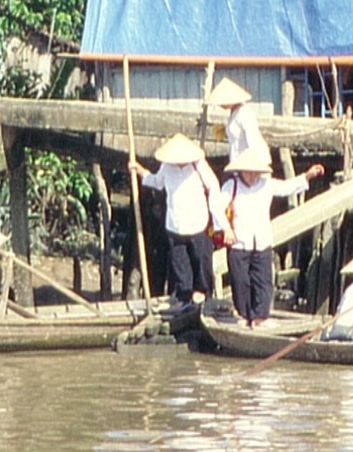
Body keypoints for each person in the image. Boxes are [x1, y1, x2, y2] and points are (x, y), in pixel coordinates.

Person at [218, 147, 323, 326]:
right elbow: (217, 209)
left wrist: (306, 176)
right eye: (248, 172)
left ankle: (260, 317)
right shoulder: (231, 186)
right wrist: (226, 229)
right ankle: (244, 315)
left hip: (262, 239)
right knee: (240, 281)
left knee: (263, 281)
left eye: (255, 172)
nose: (252, 176)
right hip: (239, 241)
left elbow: (286, 188)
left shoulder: (266, 184)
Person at [132, 133, 225, 308]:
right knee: (179, 263)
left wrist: (217, 216)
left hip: (198, 222)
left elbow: (213, 186)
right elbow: (157, 182)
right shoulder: (167, 166)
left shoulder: (198, 166)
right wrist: (140, 171)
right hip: (175, 223)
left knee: (201, 260)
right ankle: (184, 298)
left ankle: (203, 294)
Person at [206, 76, 265, 165]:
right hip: (236, 159)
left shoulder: (244, 113)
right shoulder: (234, 113)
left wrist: (257, 163)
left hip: (247, 161)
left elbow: (254, 139)